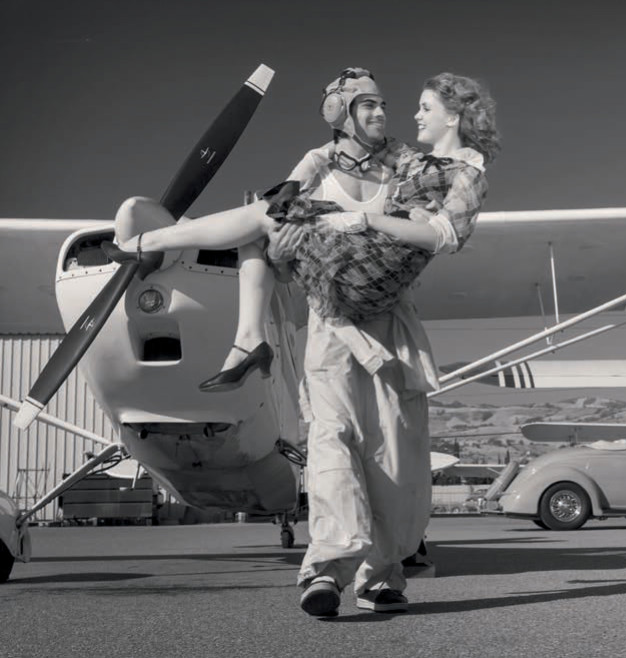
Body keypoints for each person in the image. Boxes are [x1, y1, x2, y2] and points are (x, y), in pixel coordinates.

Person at [104, 68, 500, 617]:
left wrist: (364, 220)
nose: (384, 112)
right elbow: (275, 241)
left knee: (396, 457)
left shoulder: (410, 163)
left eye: (385, 103)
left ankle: (382, 573)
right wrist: (285, 244)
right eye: (367, 104)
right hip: (330, 322)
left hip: (392, 326)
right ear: (341, 112)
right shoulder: (315, 166)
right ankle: (327, 569)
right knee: (331, 441)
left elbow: (437, 224)